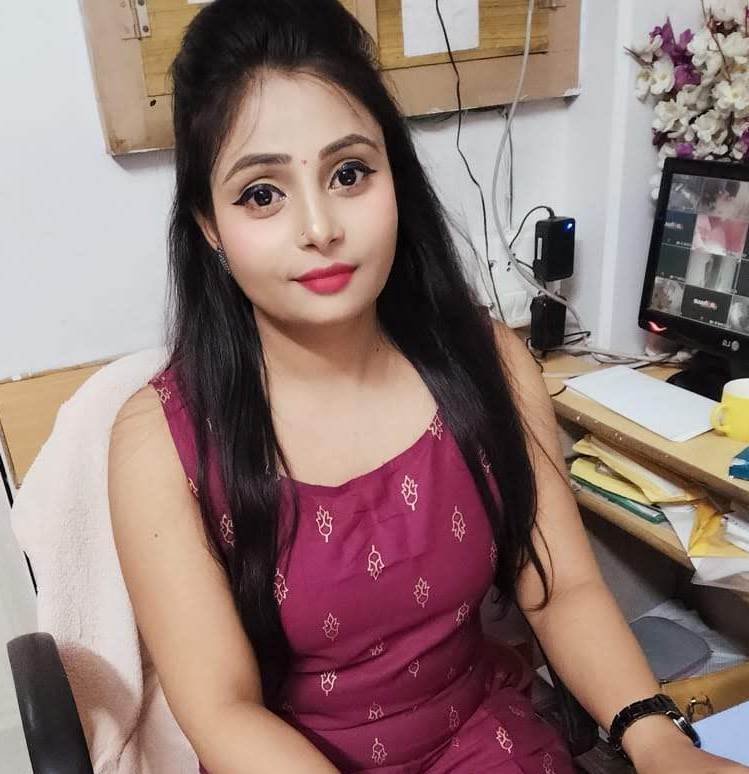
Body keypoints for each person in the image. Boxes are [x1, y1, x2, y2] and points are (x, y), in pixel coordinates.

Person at [107, 1, 749, 772]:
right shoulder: (157, 444)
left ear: (394, 176)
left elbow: (561, 589)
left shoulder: (486, 362)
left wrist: (656, 738)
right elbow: (222, 710)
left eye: (348, 173)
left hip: (482, 741)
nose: (319, 227)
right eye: (261, 194)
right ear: (209, 224)